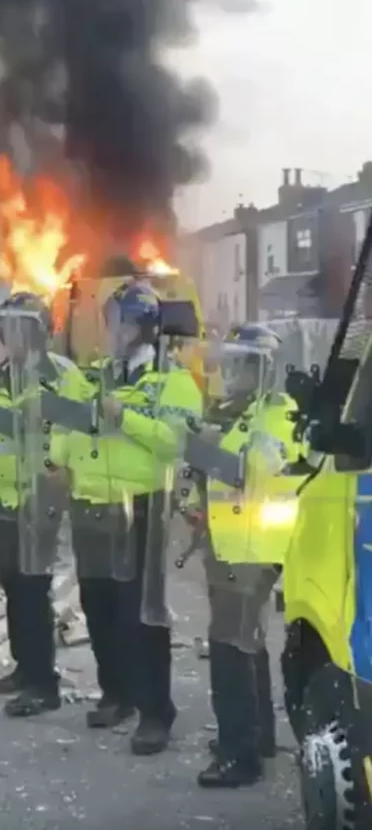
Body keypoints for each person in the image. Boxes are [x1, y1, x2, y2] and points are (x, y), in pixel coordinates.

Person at [50, 278, 202, 755]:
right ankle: (116, 693)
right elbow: (71, 425)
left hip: (140, 506)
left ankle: (157, 711)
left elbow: (176, 442)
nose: (110, 331)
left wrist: (124, 417)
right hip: (93, 504)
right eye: (109, 322)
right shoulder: (97, 376)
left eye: (118, 322)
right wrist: (59, 456)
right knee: (99, 606)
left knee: (142, 613)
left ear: (142, 327)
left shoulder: (172, 381)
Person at [188, 323, 305, 787]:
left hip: (258, 546)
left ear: (263, 369)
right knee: (246, 641)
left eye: (242, 364)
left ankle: (240, 756)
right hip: (228, 543)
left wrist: (237, 457)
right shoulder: (229, 412)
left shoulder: (280, 415)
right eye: (230, 363)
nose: (232, 372)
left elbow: (280, 471)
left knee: (230, 647)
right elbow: (206, 474)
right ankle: (257, 737)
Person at [0, 292, 89, 717]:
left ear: (39, 332)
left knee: (34, 585)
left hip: (42, 493)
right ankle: (24, 667)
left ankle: (43, 682)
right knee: (14, 583)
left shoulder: (62, 375)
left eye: (21, 328)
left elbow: (77, 426)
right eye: (8, 328)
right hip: (6, 493)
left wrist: (59, 467)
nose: (13, 337)